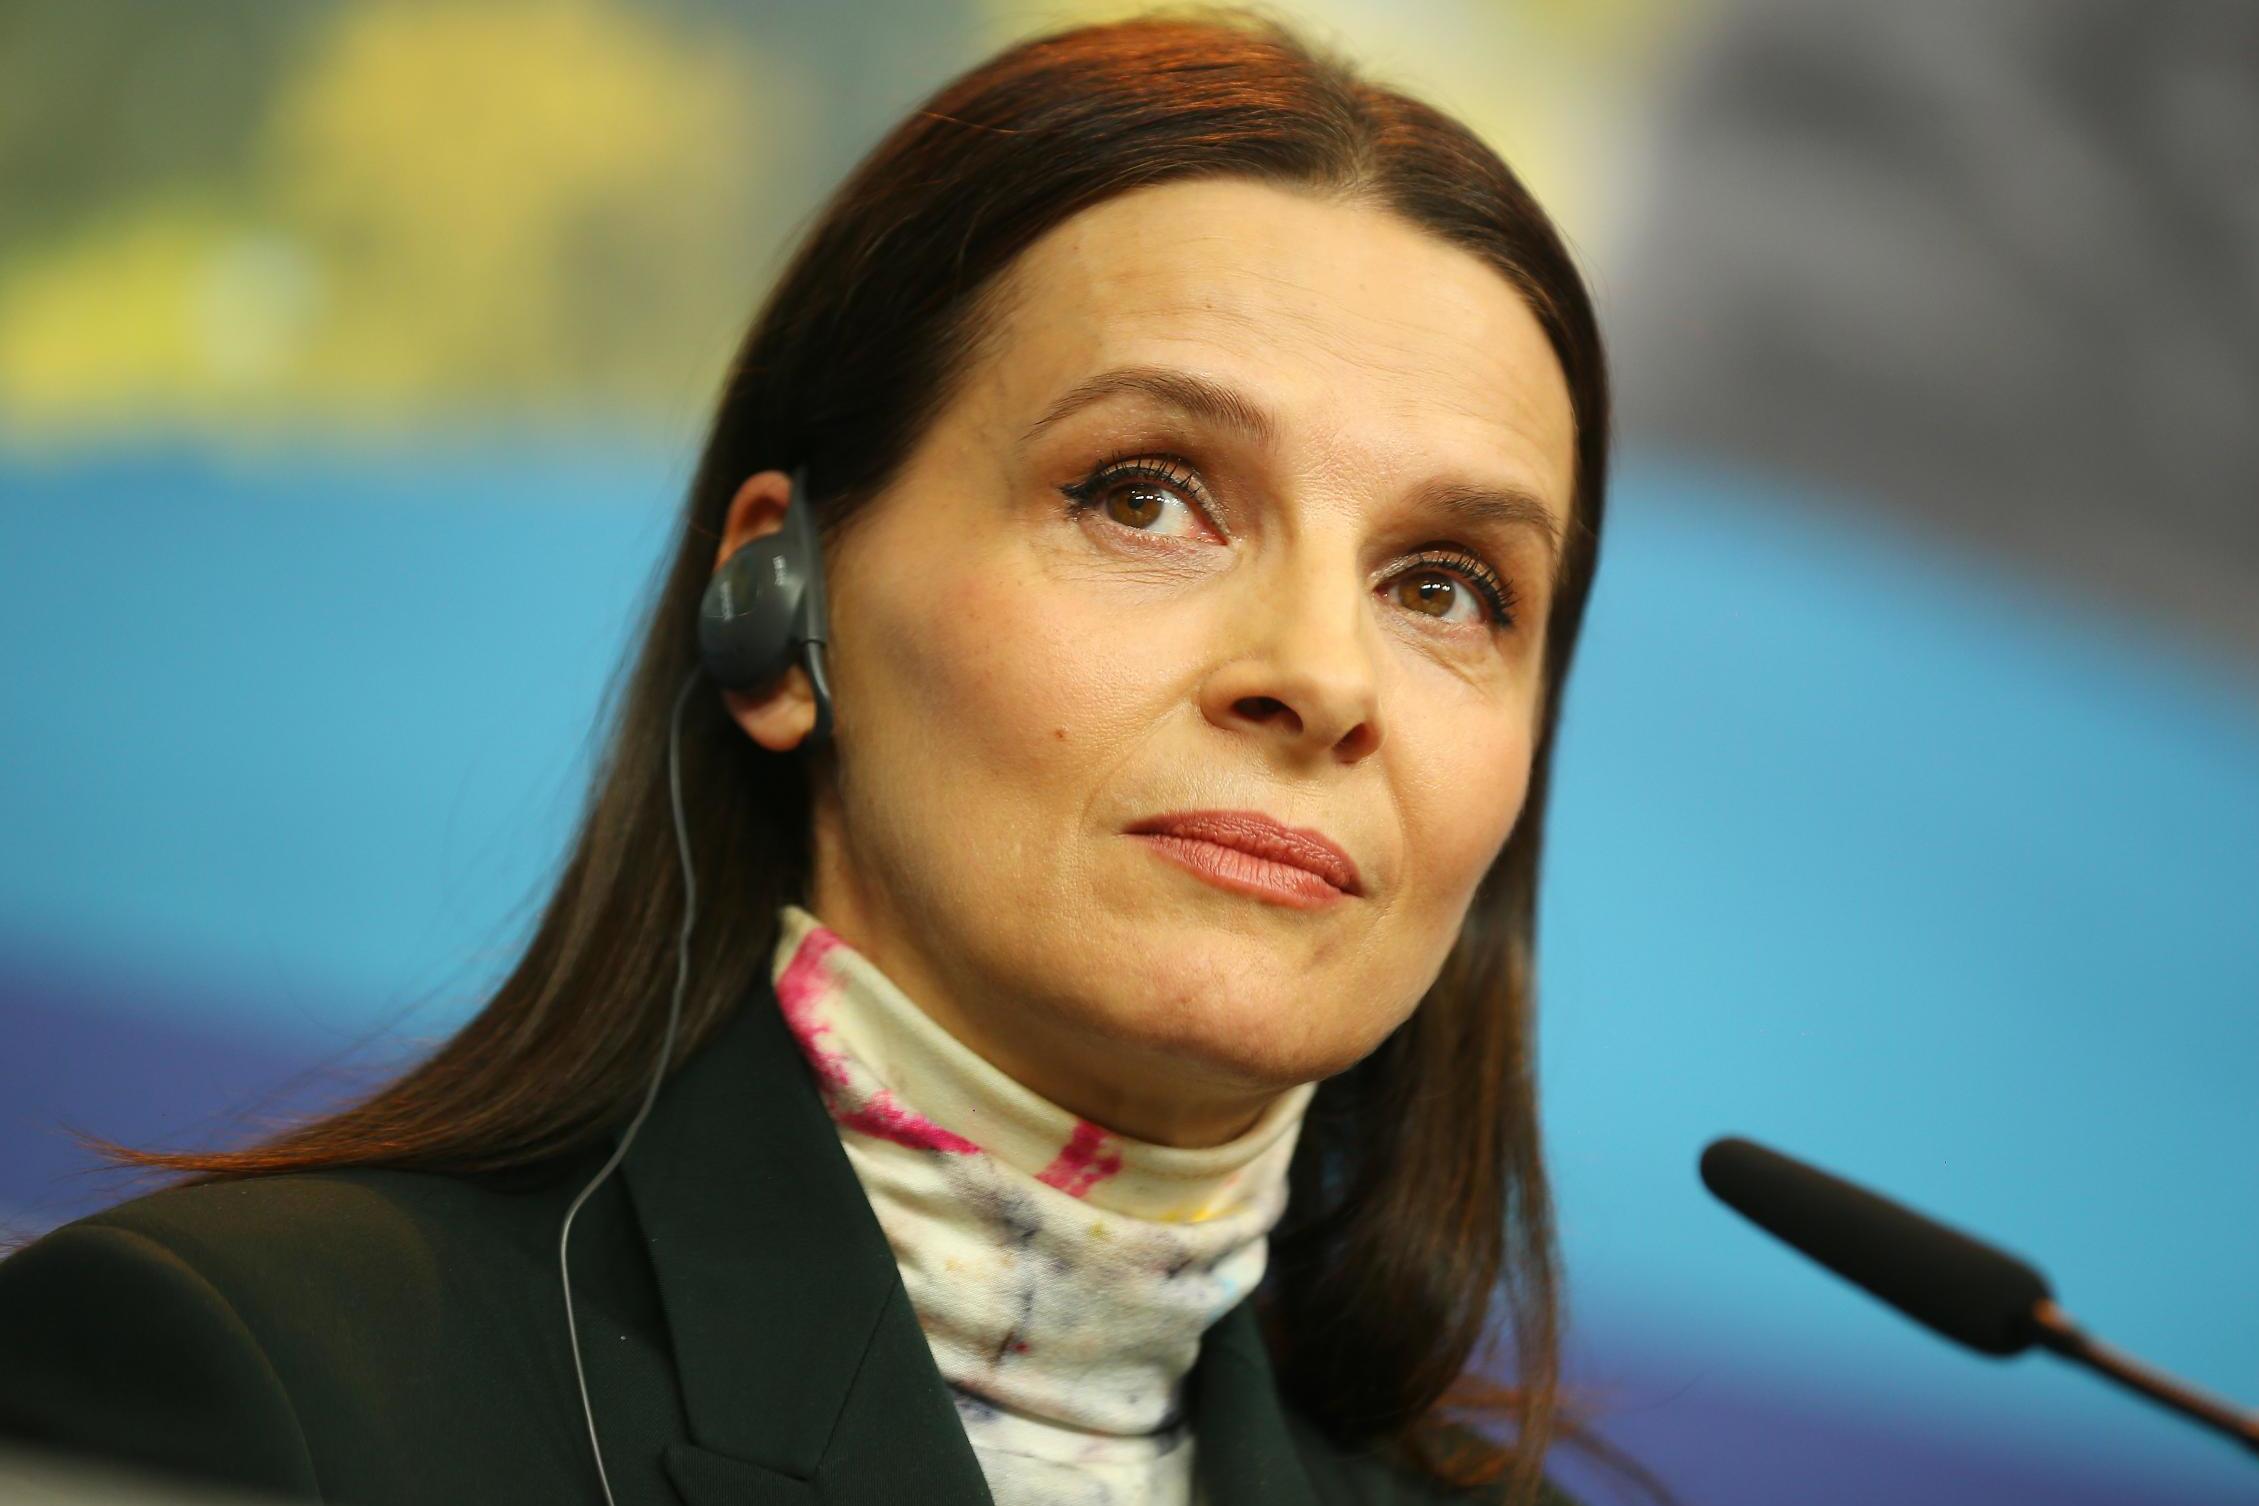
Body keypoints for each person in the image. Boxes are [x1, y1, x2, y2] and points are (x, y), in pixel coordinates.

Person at [0, 10, 1670, 1505]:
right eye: (1145, 493)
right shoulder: (259, 1381)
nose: (1321, 675)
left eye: (1446, 586)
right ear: (776, 606)